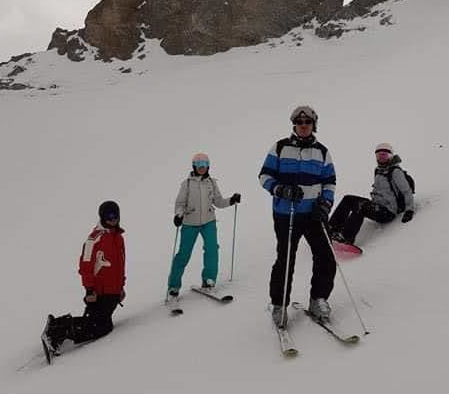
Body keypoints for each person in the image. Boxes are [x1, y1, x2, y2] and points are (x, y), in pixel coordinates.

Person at [259, 105, 336, 326]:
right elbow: (264, 175)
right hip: (286, 213)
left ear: (314, 125)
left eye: (308, 122)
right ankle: (279, 305)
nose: (303, 126)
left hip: (314, 215)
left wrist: (326, 203)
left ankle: (318, 299)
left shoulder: (322, 151)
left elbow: (329, 181)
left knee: (326, 257)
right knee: (285, 259)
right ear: (294, 124)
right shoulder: (280, 147)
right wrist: (279, 189)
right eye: (299, 122)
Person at [43, 200, 126, 353]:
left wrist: (121, 287)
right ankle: (57, 331)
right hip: (99, 291)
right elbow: (85, 266)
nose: (113, 219)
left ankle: (58, 328)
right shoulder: (94, 239)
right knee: (101, 327)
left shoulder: (118, 237)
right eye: (109, 216)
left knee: (101, 323)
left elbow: (120, 265)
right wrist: (89, 289)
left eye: (115, 215)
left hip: (113, 291)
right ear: (102, 217)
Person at [167, 152, 241, 305]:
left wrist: (231, 200)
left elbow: (218, 202)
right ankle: (173, 287)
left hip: (208, 221)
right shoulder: (187, 184)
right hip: (190, 223)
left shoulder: (211, 183)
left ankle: (209, 280)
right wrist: (178, 215)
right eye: (199, 164)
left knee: (212, 249)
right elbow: (180, 204)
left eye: (205, 164)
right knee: (183, 254)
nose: (202, 167)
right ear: (194, 166)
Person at [329, 143, 414, 247]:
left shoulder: (395, 171)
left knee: (361, 206)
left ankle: (346, 238)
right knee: (348, 199)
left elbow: (407, 191)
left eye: (384, 155)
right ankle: (331, 229)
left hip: (388, 212)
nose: (381, 158)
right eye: (379, 155)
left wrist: (409, 210)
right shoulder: (378, 170)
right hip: (377, 206)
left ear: (391, 156)